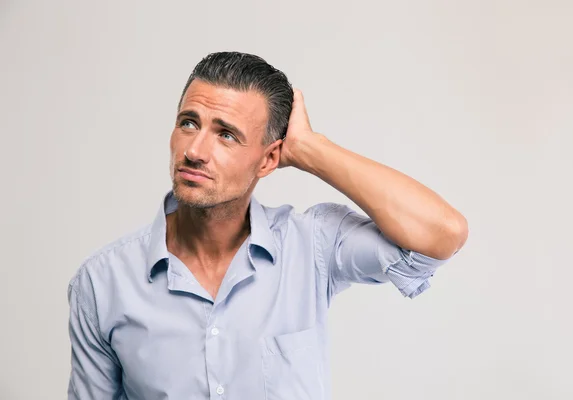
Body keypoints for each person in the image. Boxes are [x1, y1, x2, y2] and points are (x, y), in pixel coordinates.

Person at [67, 51, 468, 400]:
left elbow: (441, 233)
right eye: (189, 122)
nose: (193, 151)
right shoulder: (102, 283)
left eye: (225, 135)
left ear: (268, 159)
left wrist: (311, 149)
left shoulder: (311, 245)